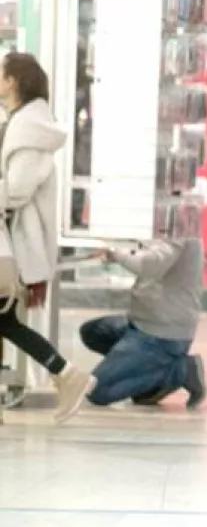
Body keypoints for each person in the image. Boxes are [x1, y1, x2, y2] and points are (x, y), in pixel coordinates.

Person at [0, 52, 95, 424]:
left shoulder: (30, 130)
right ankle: (67, 374)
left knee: (5, 323)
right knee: (5, 324)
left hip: (16, 244)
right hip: (10, 241)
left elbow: (19, 188)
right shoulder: (20, 123)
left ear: (13, 80)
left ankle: (68, 374)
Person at [82, 238, 206, 408]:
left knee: (96, 391)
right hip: (141, 322)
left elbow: (149, 266)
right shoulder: (163, 225)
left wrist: (116, 252)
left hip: (161, 333)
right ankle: (145, 379)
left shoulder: (180, 229)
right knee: (93, 332)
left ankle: (179, 371)